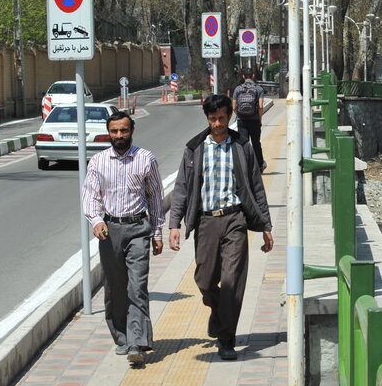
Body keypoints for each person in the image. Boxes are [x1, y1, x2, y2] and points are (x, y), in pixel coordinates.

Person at [167, 94, 274, 360]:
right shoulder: (194, 149)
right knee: (204, 281)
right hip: (205, 221)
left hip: (234, 219)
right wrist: (174, 225)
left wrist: (265, 224)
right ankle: (216, 311)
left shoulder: (242, 145)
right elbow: (181, 188)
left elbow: (256, 187)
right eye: (213, 119)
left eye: (222, 118)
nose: (217, 124)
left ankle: (226, 340)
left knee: (231, 283)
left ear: (230, 116)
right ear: (207, 118)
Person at [82, 110, 165, 368]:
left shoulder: (145, 159)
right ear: (109, 132)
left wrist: (158, 232)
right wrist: (96, 222)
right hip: (110, 230)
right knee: (115, 288)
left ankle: (137, 342)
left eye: (124, 130)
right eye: (115, 131)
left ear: (132, 131)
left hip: (138, 228)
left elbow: (155, 198)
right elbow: (90, 196)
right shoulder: (97, 162)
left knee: (136, 286)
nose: (119, 135)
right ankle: (121, 334)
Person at [231, 68, 267, 172]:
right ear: (253, 76)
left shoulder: (237, 89)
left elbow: (234, 107)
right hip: (254, 120)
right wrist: (259, 119)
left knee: (243, 144)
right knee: (256, 143)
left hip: (242, 120)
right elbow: (260, 106)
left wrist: (239, 115)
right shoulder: (258, 89)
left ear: (243, 77)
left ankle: (244, 167)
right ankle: (260, 165)